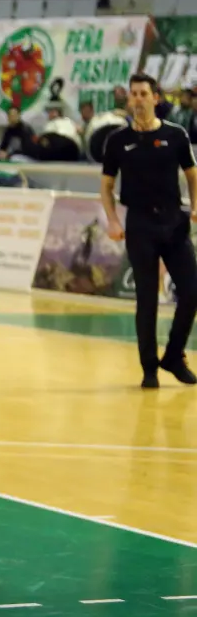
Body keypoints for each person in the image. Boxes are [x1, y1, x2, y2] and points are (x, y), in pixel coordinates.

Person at [101, 73, 197, 390]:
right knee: (146, 298)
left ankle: (173, 356)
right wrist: (113, 220)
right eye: (134, 94)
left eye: (144, 93)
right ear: (129, 99)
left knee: (192, 291)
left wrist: (195, 206)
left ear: (156, 98)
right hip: (140, 224)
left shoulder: (176, 135)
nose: (138, 99)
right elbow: (106, 186)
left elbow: (192, 174)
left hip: (174, 221)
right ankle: (149, 368)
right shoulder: (117, 140)